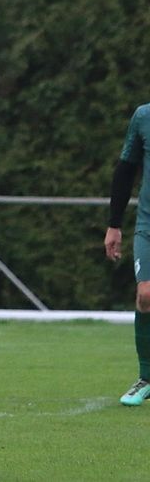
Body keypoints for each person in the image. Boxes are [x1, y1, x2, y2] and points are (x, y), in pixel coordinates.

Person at [106, 103, 150, 406]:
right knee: (146, 295)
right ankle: (146, 378)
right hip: (148, 225)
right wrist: (114, 225)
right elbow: (125, 170)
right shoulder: (143, 116)